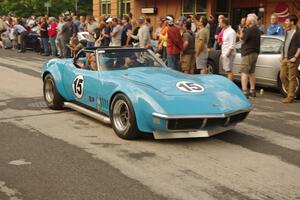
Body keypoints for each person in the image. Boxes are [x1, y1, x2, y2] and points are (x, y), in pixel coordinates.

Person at [280, 15, 300, 103]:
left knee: (292, 78)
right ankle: (290, 93)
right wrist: (282, 54)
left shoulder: (298, 32)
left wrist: (295, 57)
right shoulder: (287, 31)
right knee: (282, 76)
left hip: (293, 58)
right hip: (285, 57)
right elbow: (285, 44)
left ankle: (290, 96)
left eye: (287, 21)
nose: (285, 22)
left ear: (292, 22)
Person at [240, 13, 261, 98]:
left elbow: (243, 40)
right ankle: (252, 90)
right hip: (255, 53)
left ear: (250, 21)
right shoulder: (257, 29)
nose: (246, 20)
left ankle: (244, 91)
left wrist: (241, 32)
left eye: (247, 19)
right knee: (252, 72)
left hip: (247, 53)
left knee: (244, 72)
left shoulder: (249, 30)